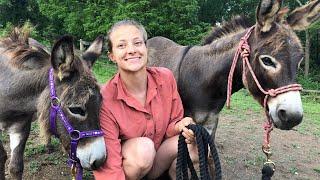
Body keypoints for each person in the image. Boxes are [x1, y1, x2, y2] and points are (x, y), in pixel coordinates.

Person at [94, 20, 198, 180]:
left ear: (146, 48)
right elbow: (110, 162)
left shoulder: (166, 77)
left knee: (196, 146)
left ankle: (172, 176)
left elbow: (172, 127)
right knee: (144, 149)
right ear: (112, 56)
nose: (131, 50)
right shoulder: (105, 99)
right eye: (121, 46)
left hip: (158, 160)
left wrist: (181, 125)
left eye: (137, 43)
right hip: (131, 166)